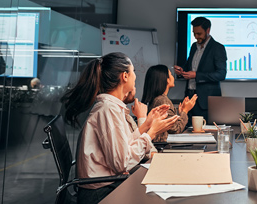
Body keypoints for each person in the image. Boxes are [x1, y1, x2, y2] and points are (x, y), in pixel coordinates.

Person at [61, 52, 179, 204]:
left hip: (106, 186)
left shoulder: (110, 107)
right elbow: (121, 163)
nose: (135, 77)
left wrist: (147, 125)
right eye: (133, 71)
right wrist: (151, 133)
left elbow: (123, 146)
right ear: (125, 76)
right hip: (100, 193)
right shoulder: (107, 109)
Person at [174, 16, 227, 122]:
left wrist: (197, 75)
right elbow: (189, 65)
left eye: (199, 34)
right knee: (187, 130)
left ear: (208, 30)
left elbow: (221, 74)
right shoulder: (194, 46)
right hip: (189, 98)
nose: (196, 37)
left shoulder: (217, 48)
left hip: (206, 102)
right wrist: (181, 71)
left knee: (205, 133)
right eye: (194, 33)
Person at [142, 64, 198, 142]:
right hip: (164, 147)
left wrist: (181, 113)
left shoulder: (158, 99)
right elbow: (176, 129)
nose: (173, 77)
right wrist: (185, 111)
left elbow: (171, 127)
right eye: (171, 74)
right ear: (166, 79)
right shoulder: (162, 101)